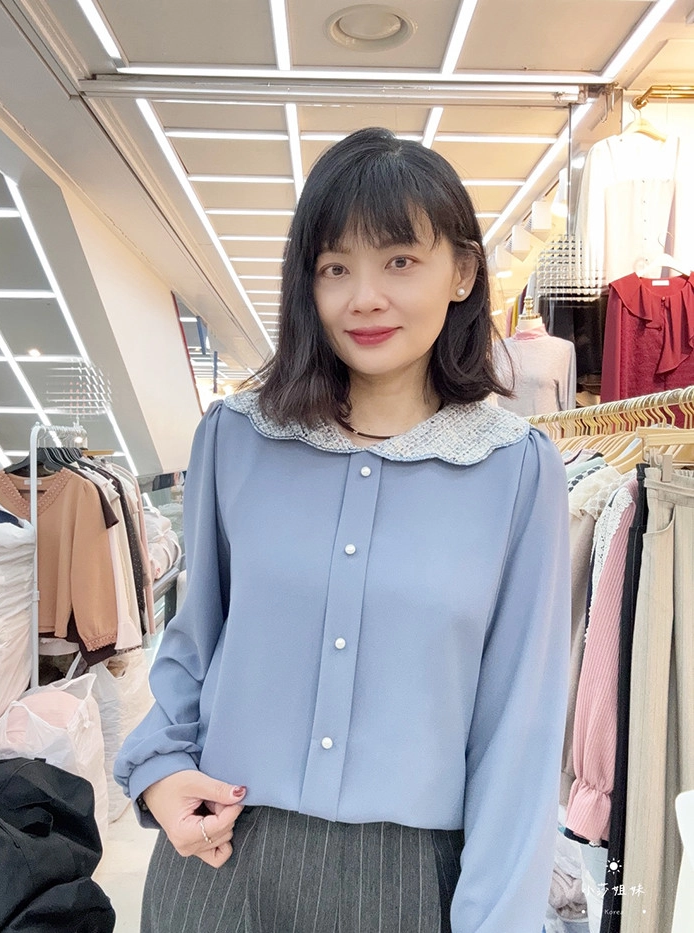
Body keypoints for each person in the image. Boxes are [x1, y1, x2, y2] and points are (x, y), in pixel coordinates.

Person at [115, 126, 571, 933]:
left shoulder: (516, 469)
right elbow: (195, 640)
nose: (364, 297)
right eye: (335, 267)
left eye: (400, 261)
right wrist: (159, 767)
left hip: (406, 881)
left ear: (463, 272)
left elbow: (520, 728)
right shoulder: (235, 437)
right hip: (221, 860)